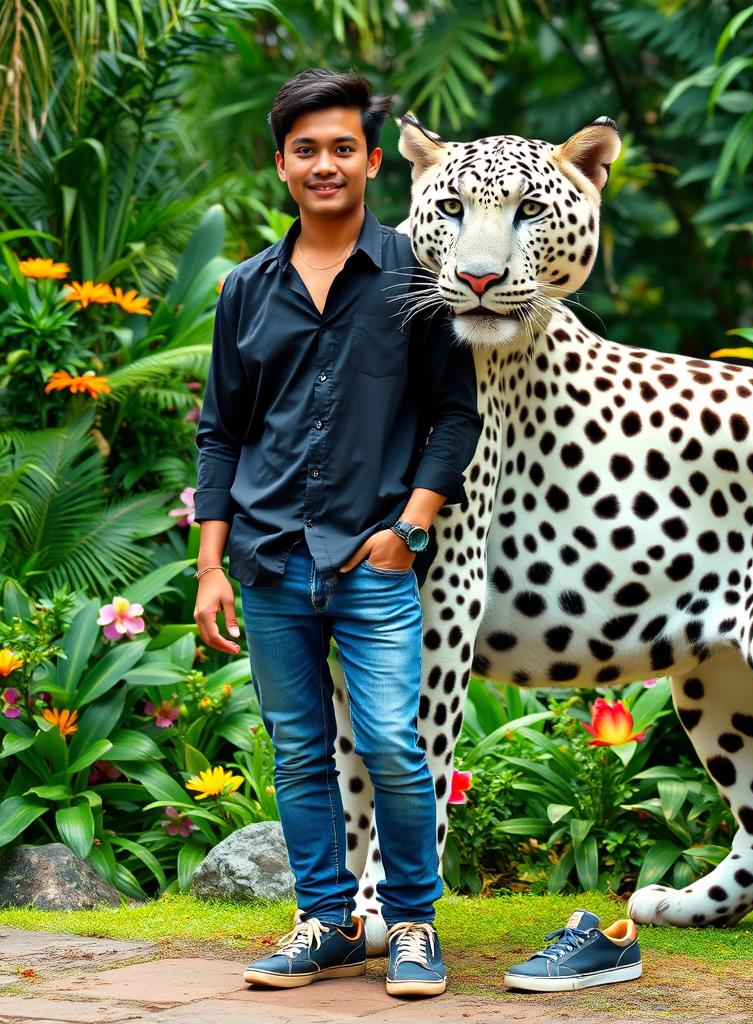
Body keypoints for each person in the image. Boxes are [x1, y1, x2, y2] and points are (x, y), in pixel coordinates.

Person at [191, 68, 483, 999]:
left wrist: (410, 528)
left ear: (368, 161)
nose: (326, 164)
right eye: (307, 149)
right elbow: (221, 433)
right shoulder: (246, 288)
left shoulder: (414, 281)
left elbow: (455, 416)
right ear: (282, 164)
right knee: (300, 748)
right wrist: (210, 567)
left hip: (373, 557)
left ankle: (411, 927)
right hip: (270, 558)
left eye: (344, 148)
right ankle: (323, 922)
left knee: (394, 743)